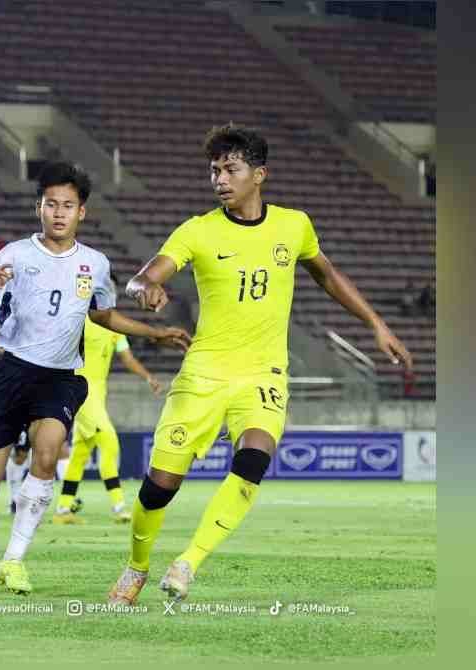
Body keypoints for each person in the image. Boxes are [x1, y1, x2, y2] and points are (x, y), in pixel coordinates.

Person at [107, 125, 413, 604]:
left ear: (259, 174)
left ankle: (188, 563)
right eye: (214, 171)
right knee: (160, 486)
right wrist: (145, 288)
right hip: (204, 372)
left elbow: (328, 276)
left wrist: (376, 323)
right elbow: (146, 274)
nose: (219, 180)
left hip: (264, 374)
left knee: (253, 461)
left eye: (231, 169)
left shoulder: (294, 226)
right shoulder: (198, 230)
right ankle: (136, 566)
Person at [0, 161, 192, 595]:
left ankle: (13, 561)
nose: (59, 213)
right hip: (11, 371)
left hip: (62, 375)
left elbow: (103, 314)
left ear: (81, 213)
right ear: (39, 208)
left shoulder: (95, 263)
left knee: (47, 456)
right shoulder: (12, 254)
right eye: (51, 204)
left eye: (68, 205)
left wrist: (154, 333)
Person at [53, 277, 166, 525]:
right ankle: (119, 506)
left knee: (81, 453)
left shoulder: (113, 325)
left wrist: (147, 376)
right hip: (79, 391)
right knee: (109, 441)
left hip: (98, 394)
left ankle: (62, 509)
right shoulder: (79, 318)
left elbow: (126, 356)